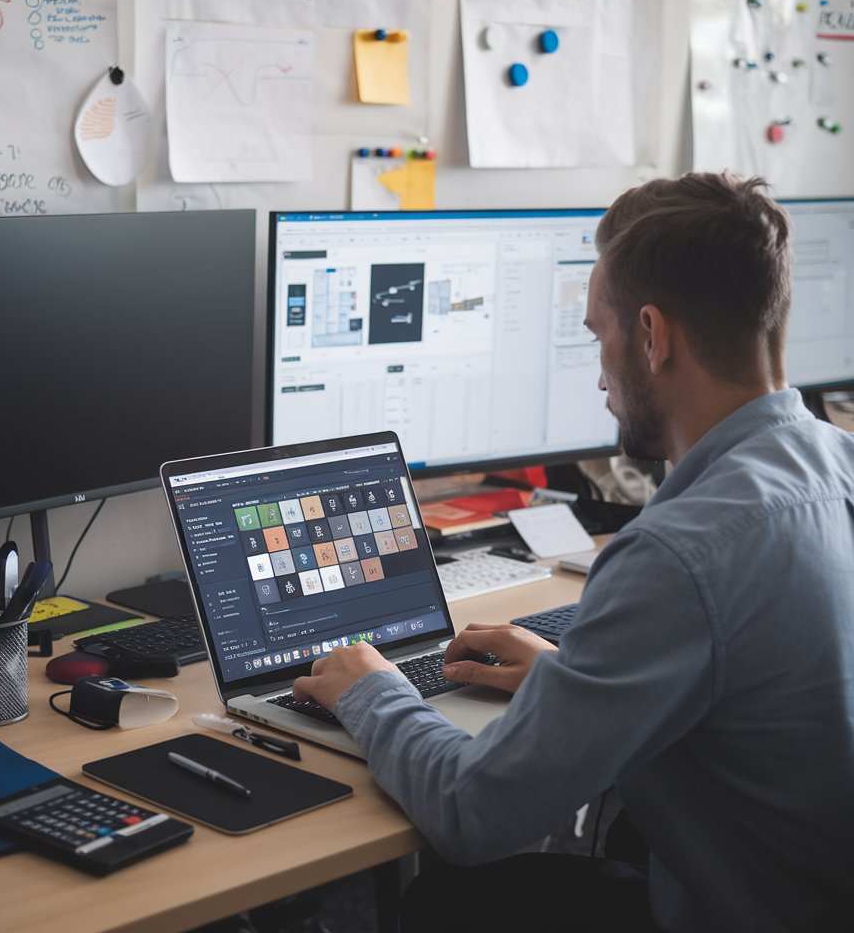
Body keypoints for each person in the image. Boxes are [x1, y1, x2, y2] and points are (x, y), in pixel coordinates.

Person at [293, 173, 854, 932]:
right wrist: (570, 683)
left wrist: (371, 689)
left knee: (449, 904)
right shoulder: (838, 462)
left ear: (652, 337)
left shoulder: (675, 553)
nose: (598, 375)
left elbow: (471, 812)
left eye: (600, 335)